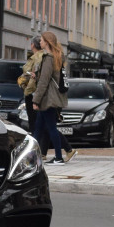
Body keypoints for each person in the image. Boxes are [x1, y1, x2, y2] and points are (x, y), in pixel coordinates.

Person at [32, 31, 75, 165]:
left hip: (48, 98)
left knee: (51, 128)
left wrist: (36, 100)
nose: (40, 42)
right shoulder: (56, 57)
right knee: (39, 128)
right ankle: (33, 156)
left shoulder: (49, 58)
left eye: (42, 40)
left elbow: (44, 81)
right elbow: (49, 78)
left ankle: (58, 157)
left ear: (47, 42)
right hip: (51, 97)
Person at [17, 36, 44, 132]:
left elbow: (27, 74)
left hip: (32, 92)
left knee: (34, 122)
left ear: (33, 45)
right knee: (44, 123)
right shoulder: (45, 56)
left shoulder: (35, 57)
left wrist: (21, 82)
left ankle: (37, 142)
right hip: (41, 93)